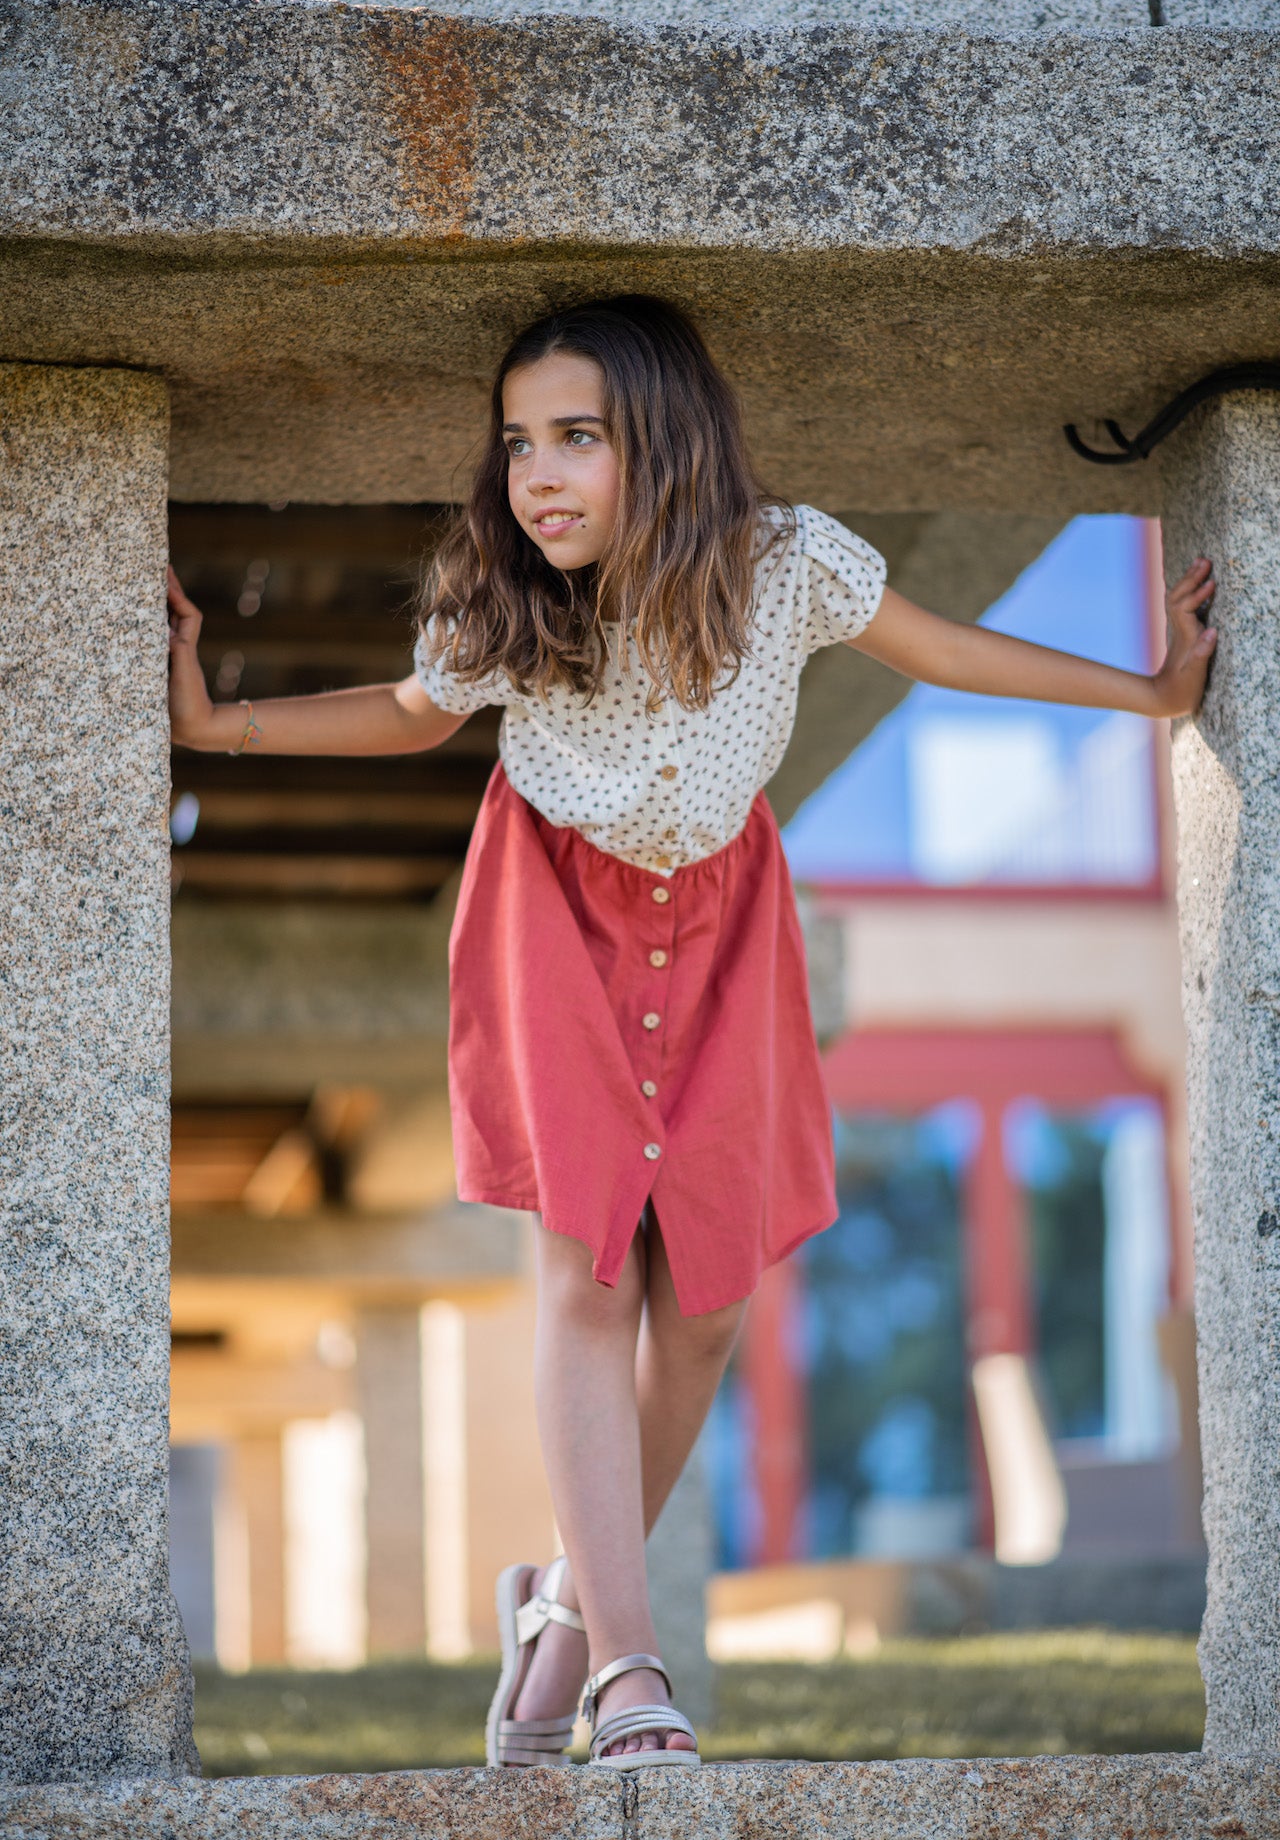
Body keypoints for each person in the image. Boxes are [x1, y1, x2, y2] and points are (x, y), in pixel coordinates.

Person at [168, 295, 1217, 1771]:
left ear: (662, 442)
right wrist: (225, 727)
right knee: (591, 1273)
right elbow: (413, 714)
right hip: (557, 916)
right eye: (520, 441)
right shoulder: (505, 604)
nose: (537, 474)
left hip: (726, 925)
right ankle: (625, 1664)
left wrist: (1150, 692)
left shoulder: (784, 561)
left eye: (577, 438)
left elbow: (947, 654)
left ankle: (555, 1605)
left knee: (709, 1306)